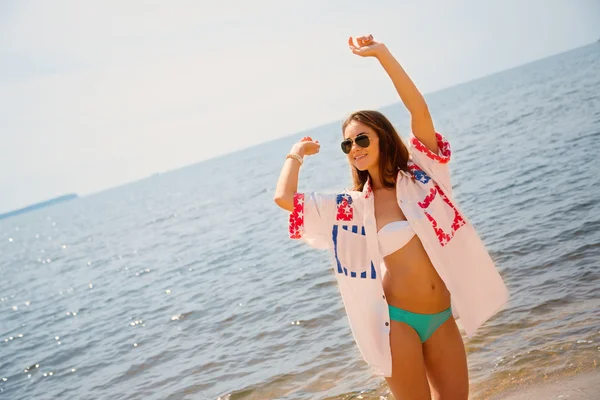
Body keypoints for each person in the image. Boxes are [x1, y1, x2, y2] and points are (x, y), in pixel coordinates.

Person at [273, 34, 509, 400]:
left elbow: (420, 113)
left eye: (362, 139)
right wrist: (296, 154)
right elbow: (284, 198)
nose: (354, 149)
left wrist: (382, 55)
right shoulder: (353, 206)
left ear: (382, 137)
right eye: (347, 145)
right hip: (398, 324)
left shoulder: (422, 175)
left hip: (442, 317)